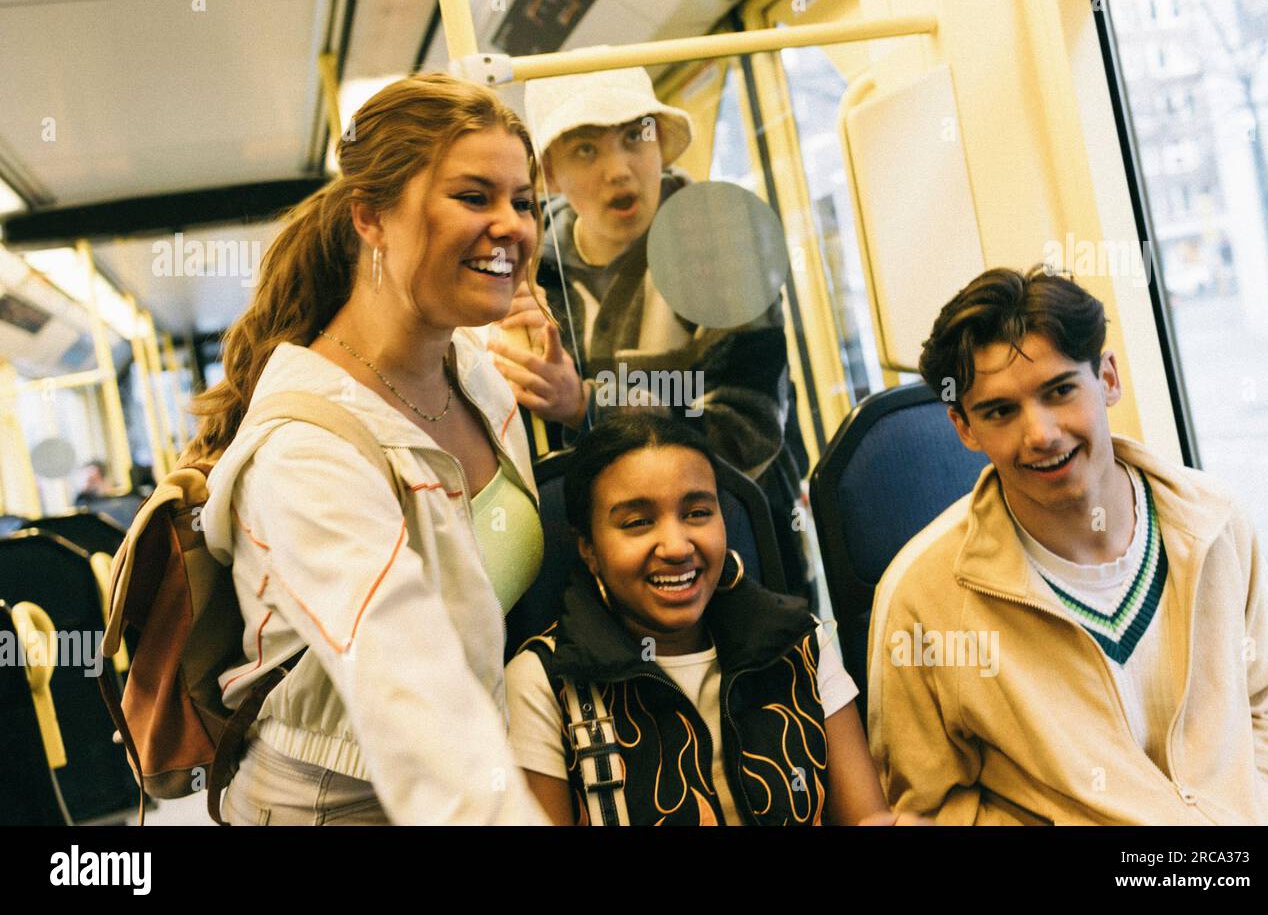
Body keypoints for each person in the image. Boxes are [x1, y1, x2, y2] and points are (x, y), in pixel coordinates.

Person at [195, 74, 548, 825]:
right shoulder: (304, 451)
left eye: (524, 202)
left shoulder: (476, 378)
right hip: (341, 805)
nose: (512, 226)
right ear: (371, 217)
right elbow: (408, 682)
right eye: (474, 197)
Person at [867, 266, 1268, 824]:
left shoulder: (1213, 523)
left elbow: (1266, 706)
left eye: (1060, 391)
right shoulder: (920, 598)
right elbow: (931, 803)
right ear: (964, 428)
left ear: (1109, 379)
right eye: (1001, 411)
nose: (1042, 433)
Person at [488, 66, 810, 597]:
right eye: (586, 150)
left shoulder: (722, 249)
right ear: (549, 170)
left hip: (738, 556)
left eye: (635, 138)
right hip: (602, 570)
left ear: (661, 145)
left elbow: (746, 427)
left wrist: (587, 406)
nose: (619, 171)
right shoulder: (528, 271)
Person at [505, 413, 902, 825]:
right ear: (588, 548)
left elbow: (865, 818)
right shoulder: (543, 684)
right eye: (638, 522)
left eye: (696, 513)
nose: (676, 547)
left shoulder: (800, 641)